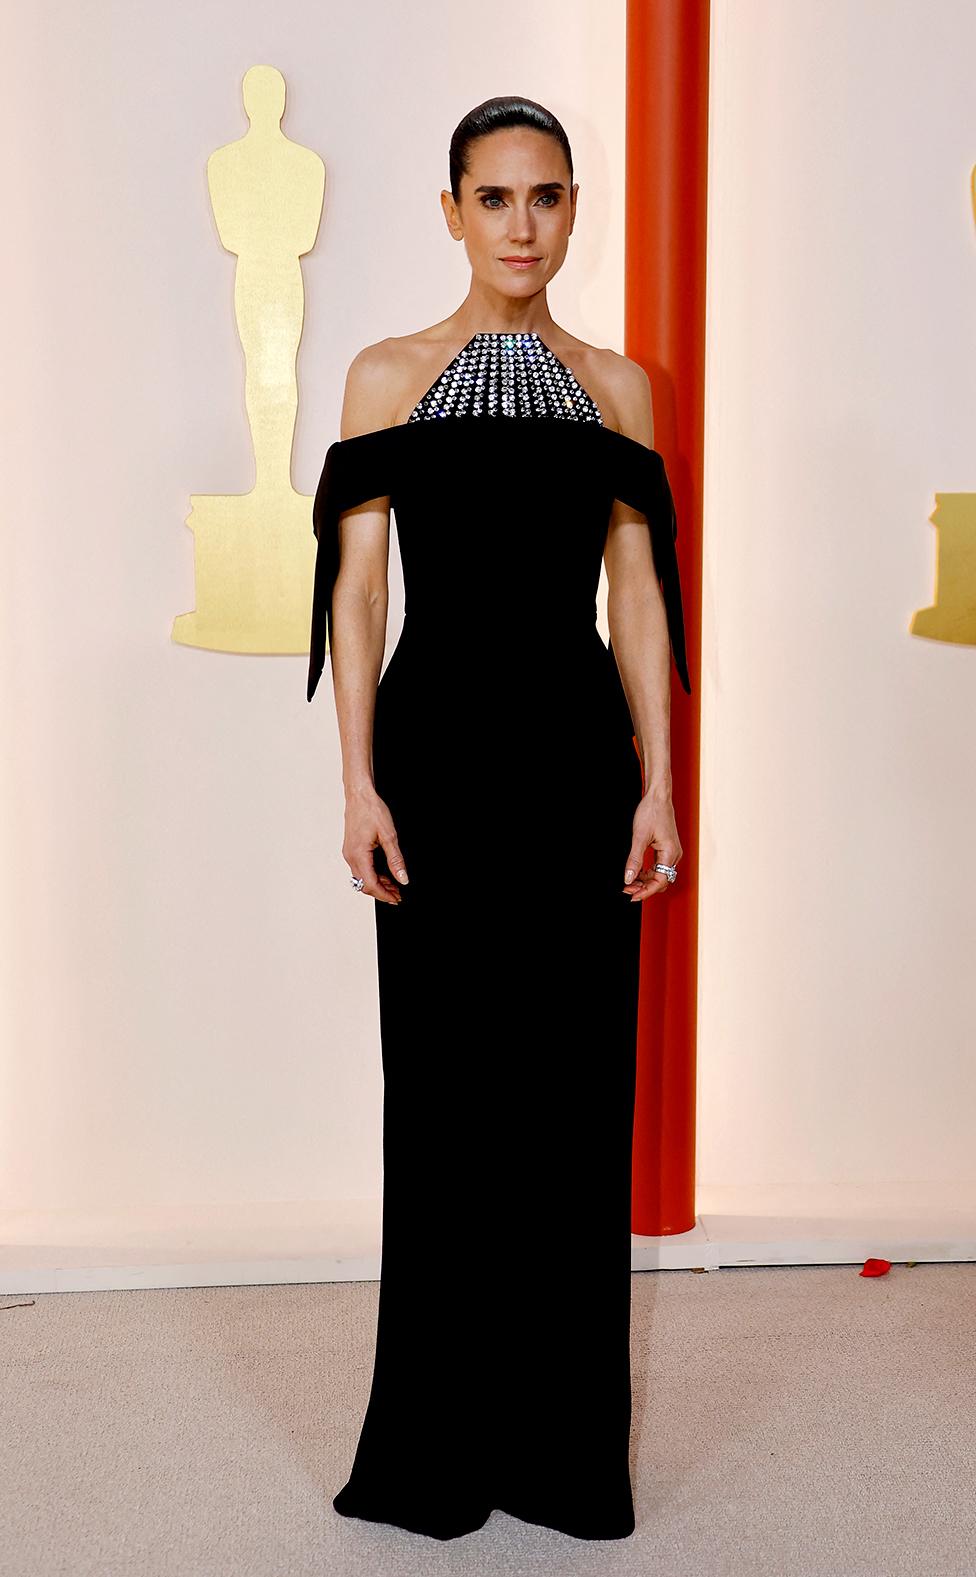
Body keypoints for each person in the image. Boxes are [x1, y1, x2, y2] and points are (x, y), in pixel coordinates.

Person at [307, 94, 691, 1543]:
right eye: (496, 198)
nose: (522, 225)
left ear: (574, 209)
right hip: (443, 758)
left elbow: (638, 595)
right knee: (453, 1096)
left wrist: (657, 777)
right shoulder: (386, 374)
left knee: (575, 1101)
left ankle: (564, 1454)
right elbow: (357, 594)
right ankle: (434, 1451)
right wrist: (357, 782)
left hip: (578, 758)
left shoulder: (617, 385)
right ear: (453, 209)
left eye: (547, 198)